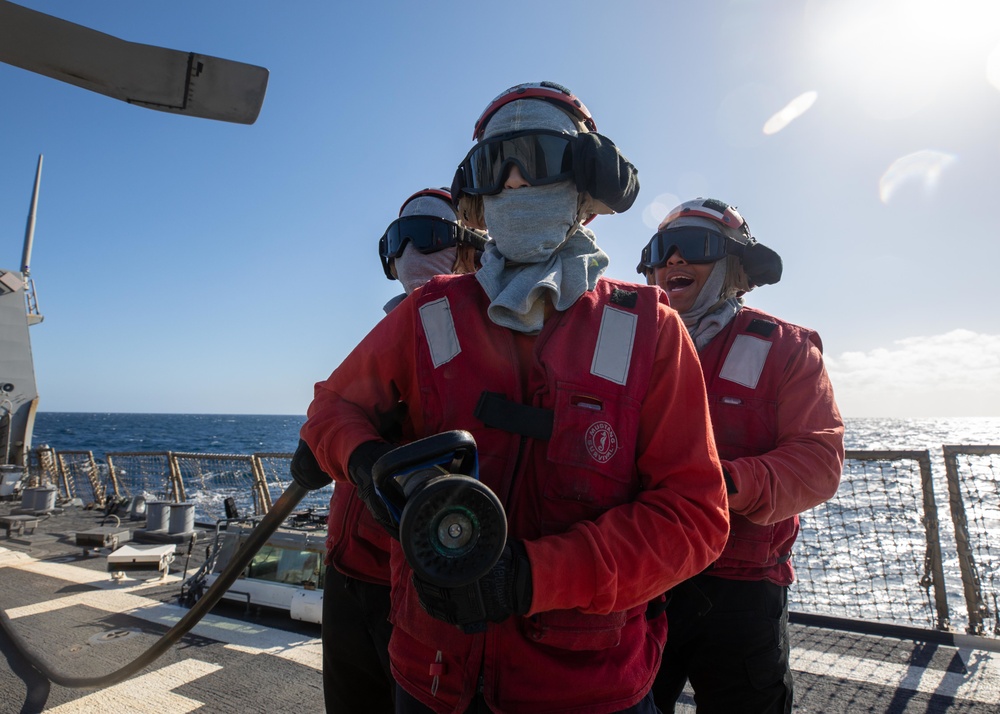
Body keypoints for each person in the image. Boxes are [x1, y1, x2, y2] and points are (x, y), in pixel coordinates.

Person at [294, 81, 730, 714]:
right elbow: (332, 408)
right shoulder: (428, 311)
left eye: (541, 158)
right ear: (478, 194)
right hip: (432, 675)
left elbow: (693, 516)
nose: (518, 183)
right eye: (498, 166)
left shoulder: (650, 330)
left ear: (588, 186)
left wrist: (531, 578)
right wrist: (363, 462)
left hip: (587, 690)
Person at [636, 197, 845, 713]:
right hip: (643, 572)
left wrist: (722, 484)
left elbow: (818, 462)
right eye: (663, 249)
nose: (674, 261)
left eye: (698, 247)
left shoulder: (787, 348)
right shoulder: (624, 343)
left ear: (736, 268)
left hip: (740, 587)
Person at [316, 187, 487, 714]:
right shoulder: (390, 330)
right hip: (346, 569)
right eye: (399, 238)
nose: (412, 250)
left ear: (467, 249)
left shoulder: (484, 333)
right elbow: (329, 408)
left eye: (431, 235)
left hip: (412, 582)